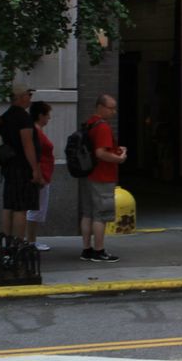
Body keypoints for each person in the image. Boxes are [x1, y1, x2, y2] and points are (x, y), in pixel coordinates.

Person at [79, 93, 126, 263]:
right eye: (111, 108)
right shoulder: (103, 127)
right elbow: (101, 153)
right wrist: (119, 158)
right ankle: (99, 251)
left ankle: (86, 249)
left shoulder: (88, 124)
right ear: (100, 107)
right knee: (101, 215)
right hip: (102, 176)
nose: (114, 112)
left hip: (87, 174)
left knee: (87, 213)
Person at [0, 83, 43, 242]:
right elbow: (28, 144)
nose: (30, 98)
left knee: (9, 205)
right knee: (20, 208)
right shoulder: (23, 117)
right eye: (28, 95)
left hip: (9, 166)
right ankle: (18, 243)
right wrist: (35, 169)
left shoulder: (5, 116)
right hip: (22, 167)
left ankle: (7, 242)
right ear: (20, 97)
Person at [25, 101, 54, 252]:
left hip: (44, 174)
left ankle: (31, 240)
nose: (49, 118)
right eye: (47, 114)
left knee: (36, 209)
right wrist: (40, 176)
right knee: (35, 210)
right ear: (40, 115)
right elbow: (36, 155)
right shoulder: (36, 133)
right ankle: (30, 241)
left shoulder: (37, 131)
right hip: (41, 176)